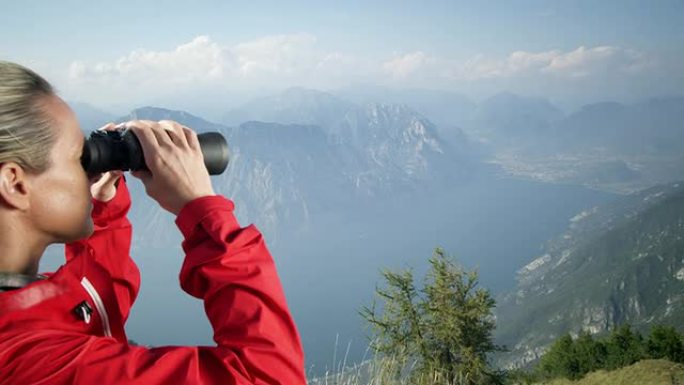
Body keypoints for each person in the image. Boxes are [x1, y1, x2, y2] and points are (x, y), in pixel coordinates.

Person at [0, 61, 306, 384]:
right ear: (15, 183)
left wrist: (104, 205)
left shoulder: (20, 307)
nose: (89, 168)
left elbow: (89, 306)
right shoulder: (35, 364)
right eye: (79, 156)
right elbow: (271, 375)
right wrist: (203, 210)